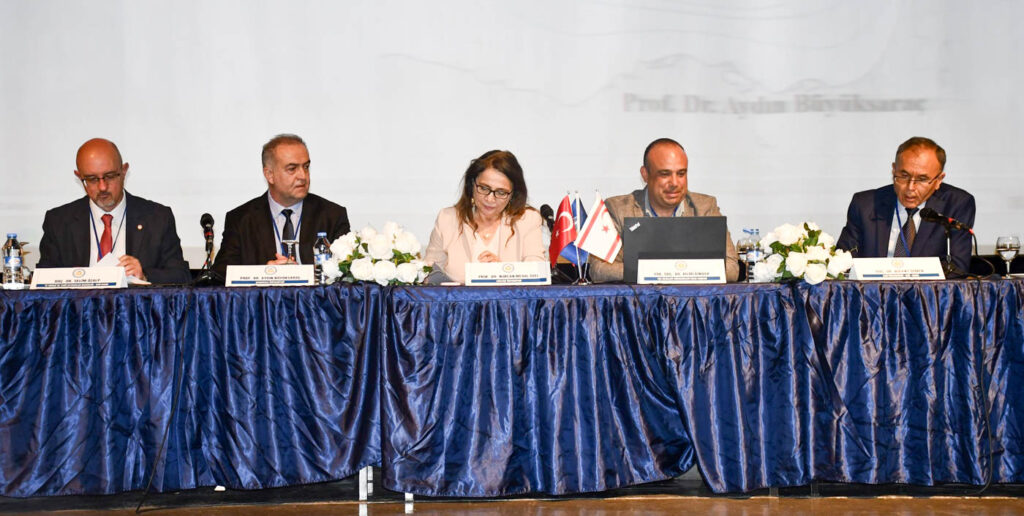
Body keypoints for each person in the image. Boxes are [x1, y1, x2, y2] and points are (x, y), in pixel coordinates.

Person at [37, 138, 191, 284]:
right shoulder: (58, 222)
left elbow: (181, 275)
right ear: (79, 177)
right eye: (92, 179)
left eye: (109, 176)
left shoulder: (157, 218)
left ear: (124, 171)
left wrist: (144, 275)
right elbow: (43, 279)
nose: (102, 187)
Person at [589, 138, 740, 283]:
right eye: (665, 174)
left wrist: (660, 271)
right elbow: (598, 269)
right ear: (645, 174)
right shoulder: (617, 209)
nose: (674, 183)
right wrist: (670, 270)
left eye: (681, 174)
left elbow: (732, 268)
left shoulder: (705, 207)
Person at [213, 134, 350, 277]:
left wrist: (305, 275)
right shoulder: (241, 220)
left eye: (306, 167)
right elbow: (221, 274)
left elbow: (347, 273)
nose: (303, 176)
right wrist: (264, 274)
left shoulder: (332, 216)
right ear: (269, 175)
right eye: (292, 169)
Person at [836, 136, 976, 273]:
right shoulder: (864, 205)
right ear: (894, 170)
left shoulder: (957, 205)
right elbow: (842, 262)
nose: (910, 187)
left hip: (928, 289)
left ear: (939, 179)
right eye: (903, 176)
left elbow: (957, 268)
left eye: (922, 179)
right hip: (873, 288)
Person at [423, 150, 546, 283]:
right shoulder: (447, 219)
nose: (490, 199)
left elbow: (537, 273)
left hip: (510, 297)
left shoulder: (527, 220)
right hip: (458, 297)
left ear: (512, 194)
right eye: (484, 188)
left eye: (501, 192)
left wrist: (502, 272)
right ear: (472, 185)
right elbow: (428, 275)